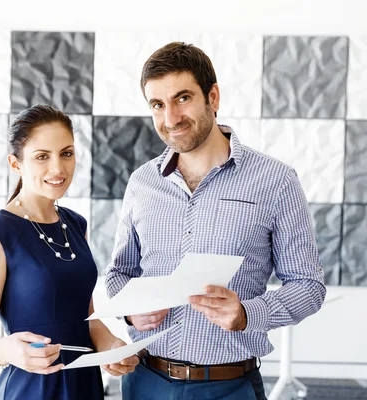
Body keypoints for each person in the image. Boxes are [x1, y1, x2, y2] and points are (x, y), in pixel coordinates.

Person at [105, 42, 326, 400]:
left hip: (229, 387)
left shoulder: (276, 181)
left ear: (213, 96)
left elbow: (308, 286)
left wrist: (245, 314)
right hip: (144, 382)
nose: (170, 118)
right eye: (157, 105)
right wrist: (131, 314)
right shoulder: (142, 182)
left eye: (183, 98)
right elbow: (119, 273)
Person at [0, 104, 138, 400]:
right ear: (15, 163)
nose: (58, 168)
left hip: (85, 385)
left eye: (66, 153)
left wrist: (111, 345)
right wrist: (6, 349)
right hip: (32, 389)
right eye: (42, 157)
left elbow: (87, 318)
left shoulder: (75, 224)